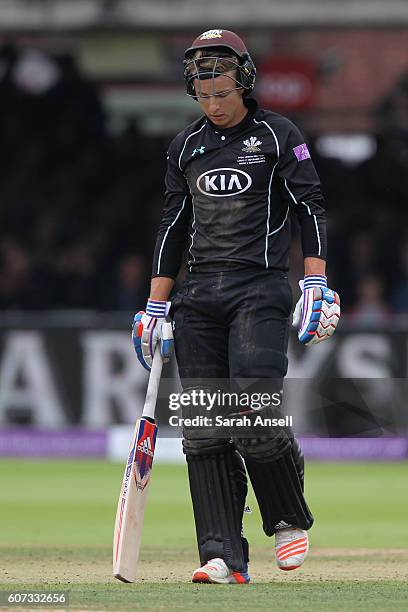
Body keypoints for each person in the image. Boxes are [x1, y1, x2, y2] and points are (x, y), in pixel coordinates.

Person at [132, 29, 340, 584]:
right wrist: (154, 306)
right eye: (203, 95)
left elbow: (310, 206)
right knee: (204, 428)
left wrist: (316, 283)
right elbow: (173, 225)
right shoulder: (184, 147)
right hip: (197, 297)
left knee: (251, 413)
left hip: (260, 289)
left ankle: (288, 518)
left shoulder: (279, 134)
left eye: (221, 92)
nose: (213, 104)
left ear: (243, 81)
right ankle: (223, 555)